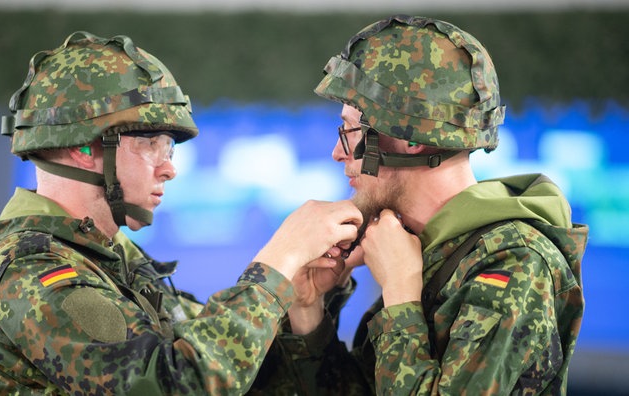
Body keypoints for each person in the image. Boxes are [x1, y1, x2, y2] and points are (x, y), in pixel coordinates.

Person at [0, 31, 363, 395]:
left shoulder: (113, 260)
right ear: (81, 147)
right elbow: (176, 385)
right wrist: (280, 261)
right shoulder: (31, 274)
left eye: (168, 148)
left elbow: (238, 378)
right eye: (150, 143)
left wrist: (300, 305)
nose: (168, 167)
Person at [249, 14, 589, 395]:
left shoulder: (514, 263)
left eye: (350, 131)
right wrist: (308, 310)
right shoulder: (430, 249)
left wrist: (400, 295)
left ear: (409, 138)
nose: (336, 153)